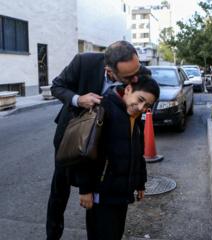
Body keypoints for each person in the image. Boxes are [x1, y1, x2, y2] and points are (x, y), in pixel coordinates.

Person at [46, 40, 151, 240]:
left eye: (137, 70)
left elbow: (137, 126)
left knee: (98, 199)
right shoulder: (83, 62)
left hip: (106, 147)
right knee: (59, 191)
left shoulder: (141, 75)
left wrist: (140, 176)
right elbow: (57, 86)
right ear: (109, 71)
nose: (136, 78)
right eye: (128, 77)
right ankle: (52, 235)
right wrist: (79, 99)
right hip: (73, 137)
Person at [72, 75, 160, 239]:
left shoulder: (135, 116)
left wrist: (140, 182)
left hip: (121, 192)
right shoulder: (104, 108)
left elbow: (137, 153)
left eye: (146, 105)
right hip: (102, 193)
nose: (140, 107)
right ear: (128, 89)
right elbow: (83, 152)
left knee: (115, 234)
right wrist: (84, 189)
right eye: (139, 99)